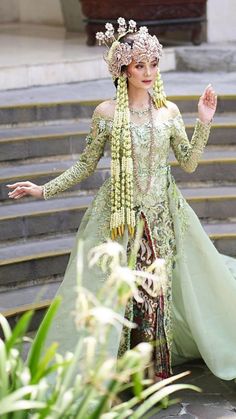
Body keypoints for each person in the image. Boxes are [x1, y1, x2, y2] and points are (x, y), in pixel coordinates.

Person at [7, 18, 236, 381]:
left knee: (156, 295)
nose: (148, 72)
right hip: (119, 216)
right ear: (123, 69)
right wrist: (43, 189)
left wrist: (204, 121)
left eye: (153, 64)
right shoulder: (106, 114)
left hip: (162, 216)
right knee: (122, 294)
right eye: (139, 65)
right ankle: (117, 370)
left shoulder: (169, 112)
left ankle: (152, 374)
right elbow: (85, 165)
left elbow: (189, 163)